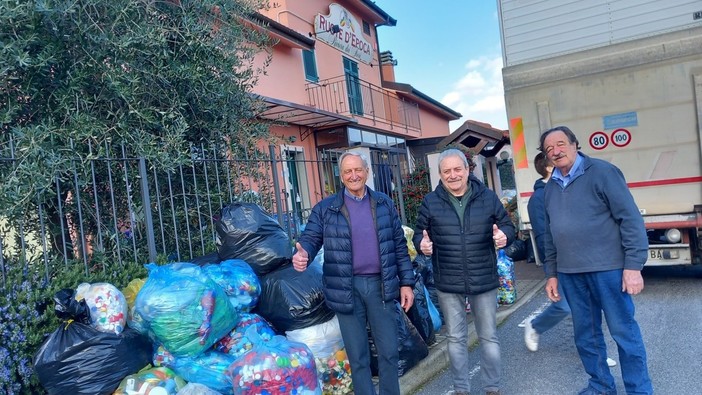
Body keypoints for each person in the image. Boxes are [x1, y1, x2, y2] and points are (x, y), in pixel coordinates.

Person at [539, 126, 652, 395]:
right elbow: (550, 234)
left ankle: (639, 390)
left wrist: (633, 266)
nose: (556, 151)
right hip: (570, 273)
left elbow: (630, 220)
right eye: (549, 148)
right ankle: (601, 385)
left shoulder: (602, 173)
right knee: (586, 337)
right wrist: (552, 273)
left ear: (575, 144)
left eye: (561, 143)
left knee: (624, 333)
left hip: (608, 270)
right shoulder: (550, 187)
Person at [292, 151, 415, 395]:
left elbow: (399, 245)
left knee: (389, 351)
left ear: (367, 172)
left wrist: (407, 283)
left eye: (358, 170)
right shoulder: (326, 208)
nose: (353, 175)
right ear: (341, 176)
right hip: (346, 289)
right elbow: (311, 237)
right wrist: (302, 253)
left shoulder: (383, 204)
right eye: (348, 171)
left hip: (381, 286)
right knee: (357, 355)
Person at [412, 148, 515, 395]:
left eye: (457, 169)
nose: (453, 175)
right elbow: (419, 234)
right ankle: (461, 389)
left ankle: (492, 387)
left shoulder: (487, 198)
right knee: (455, 338)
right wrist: (422, 245)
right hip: (448, 280)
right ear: (440, 174)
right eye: (446, 171)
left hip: (483, 277)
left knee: (488, 336)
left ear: (467, 170)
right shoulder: (431, 202)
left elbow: (508, 227)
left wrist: (504, 237)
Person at [524, 152, 616, 367]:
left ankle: (595, 353)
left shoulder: (565, 188)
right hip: (561, 263)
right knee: (566, 306)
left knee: (586, 307)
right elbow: (543, 234)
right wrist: (551, 270)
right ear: (548, 168)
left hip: (581, 260)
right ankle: (535, 325)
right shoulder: (540, 197)